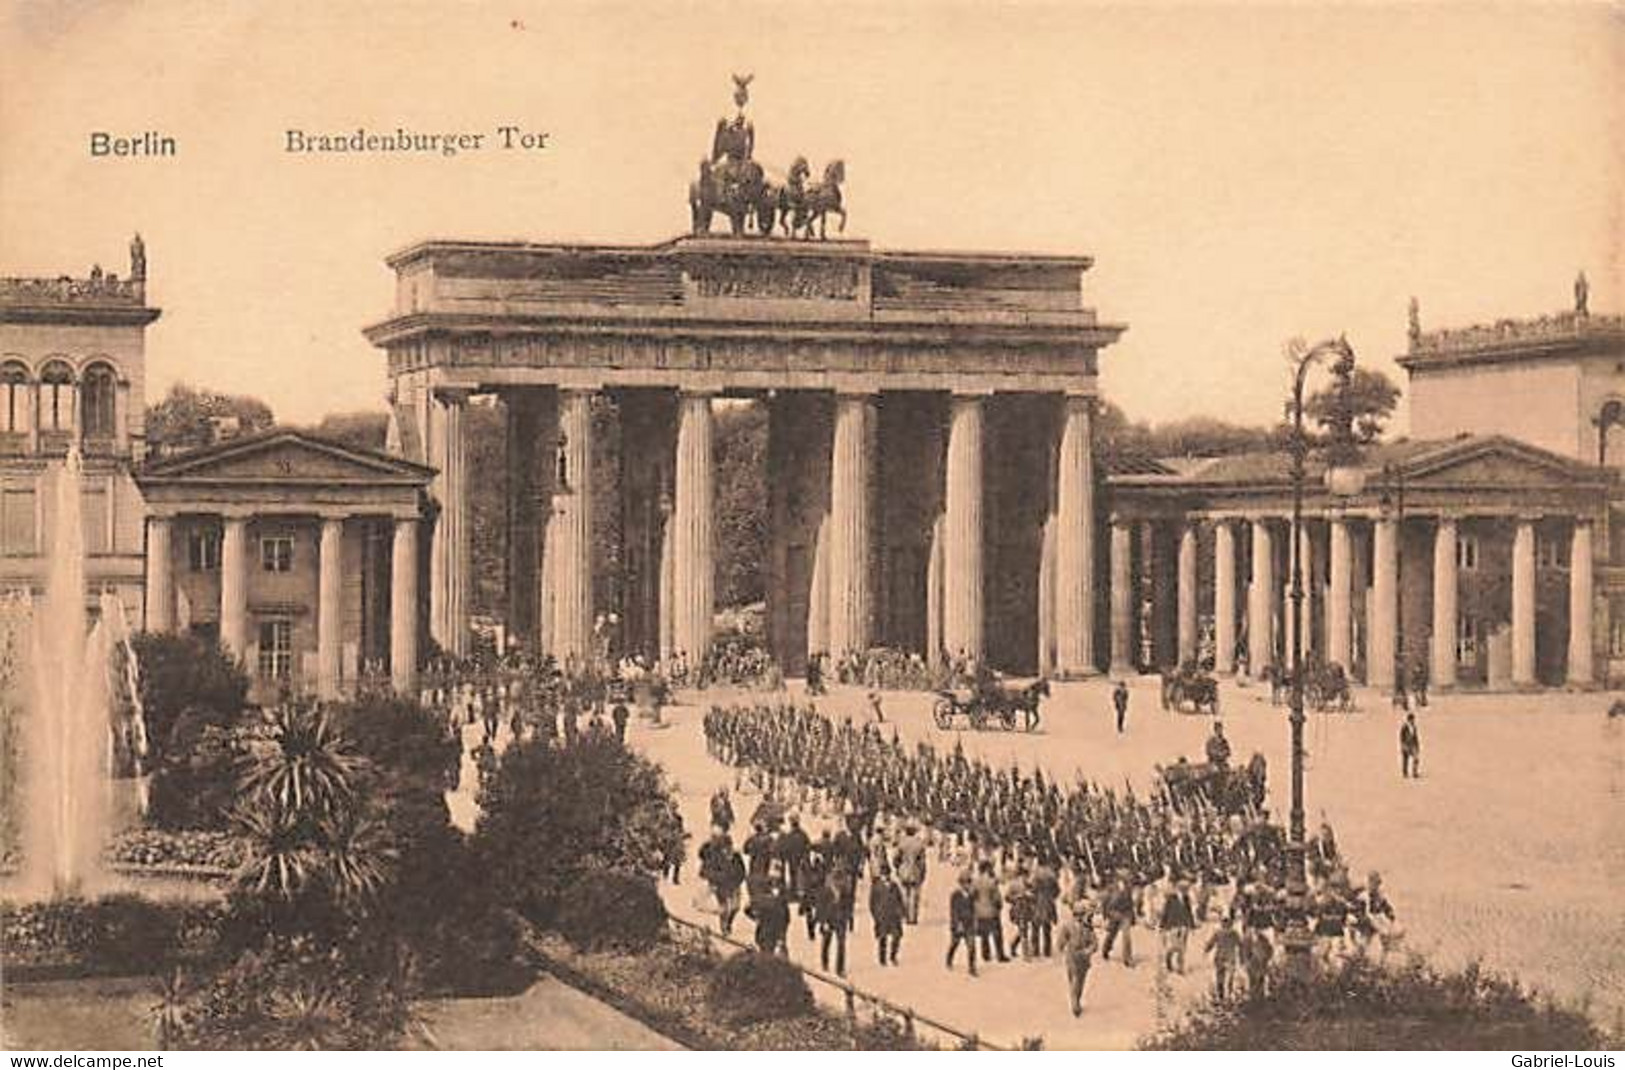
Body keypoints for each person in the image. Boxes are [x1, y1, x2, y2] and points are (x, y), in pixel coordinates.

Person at [698, 829, 746, 936]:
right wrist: (718, 879)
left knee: (736, 907)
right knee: (724, 908)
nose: (728, 849)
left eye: (729, 846)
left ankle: (729, 923)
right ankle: (724, 927)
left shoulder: (736, 856)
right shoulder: (715, 857)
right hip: (721, 886)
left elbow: (742, 870)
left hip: (735, 885)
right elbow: (708, 872)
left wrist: (739, 880)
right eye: (725, 847)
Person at [1055, 899, 1098, 1017]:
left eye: (1081, 915)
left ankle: (1077, 999)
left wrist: (1088, 950)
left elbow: (1094, 943)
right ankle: (1075, 1004)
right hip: (1072, 956)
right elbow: (1060, 942)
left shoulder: (1088, 927)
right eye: (1076, 914)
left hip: (1084, 957)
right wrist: (1062, 950)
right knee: (1074, 980)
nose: (1078, 917)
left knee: (1081, 981)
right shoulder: (1067, 926)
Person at [815, 864, 852, 976]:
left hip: (840, 920)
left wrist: (849, 919)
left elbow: (848, 906)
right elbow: (820, 907)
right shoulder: (825, 891)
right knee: (827, 942)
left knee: (841, 944)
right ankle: (825, 962)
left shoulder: (845, 892)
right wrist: (823, 922)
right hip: (829, 920)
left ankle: (839, 968)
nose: (838, 884)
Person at [972, 859, 1009, 963]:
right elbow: (996, 898)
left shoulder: (975, 882)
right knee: (997, 934)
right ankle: (1000, 955)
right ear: (987, 869)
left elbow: (972, 896)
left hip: (979, 912)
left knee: (984, 934)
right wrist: (999, 906)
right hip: (992, 911)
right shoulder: (992, 882)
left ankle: (985, 955)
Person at [869, 865, 905, 966]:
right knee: (882, 938)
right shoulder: (876, 887)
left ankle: (893, 956)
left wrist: (902, 912)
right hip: (882, 916)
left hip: (894, 916)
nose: (886, 877)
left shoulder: (894, 886)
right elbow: (872, 903)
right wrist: (876, 915)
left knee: (897, 937)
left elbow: (900, 899)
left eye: (887, 875)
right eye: (884, 875)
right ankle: (882, 959)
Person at [1101, 871, 1137, 967]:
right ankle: (1106, 949)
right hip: (1114, 913)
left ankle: (1127, 958)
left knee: (1127, 936)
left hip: (1125, 914)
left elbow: (1130, 903)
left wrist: (1132, 917)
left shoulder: (1128, 888)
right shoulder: (1111, 888)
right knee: (1112, 934)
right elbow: (1105, 902)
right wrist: (1105, 915)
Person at [894, 820, 928, 924]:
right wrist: (923, 872)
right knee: (914, 894)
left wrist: (897, 867)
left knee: (904, 893)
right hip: (915, 870)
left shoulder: (902, 843)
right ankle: (912, 917)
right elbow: (922, 860)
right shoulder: (919, 844)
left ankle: (905, 914)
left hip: (904, 870)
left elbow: (896, 858)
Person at [946, 871, 979, 976]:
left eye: (969, 882)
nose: (967, 885)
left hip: (969, 924)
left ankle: (972, 967)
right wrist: (957, 924)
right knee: (954, 944)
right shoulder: (955, 895)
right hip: (958, 925)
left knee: (971, 946)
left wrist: (975, 922)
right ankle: (949, 959)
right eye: (965, 883)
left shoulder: (972, 895)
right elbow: (953, 911)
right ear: (960, 883)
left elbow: (975, 909)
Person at [1159, 878, 1195, 974]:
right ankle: (1168, 961)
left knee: (1182, 947)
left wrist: (1192, 925)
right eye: (1184, 888)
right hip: (1172, 925)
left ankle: (1180, 967)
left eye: (1186, 888)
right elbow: (1165, 912)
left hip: (1183, 925)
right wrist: (1162, 925)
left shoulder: (1186, 899)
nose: (1186, 890)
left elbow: (1189, 912)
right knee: (1172, 946)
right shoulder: (1171, 898)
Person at [1205, 913, 1242, 999]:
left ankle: (1221, 994)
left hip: (1220, 956)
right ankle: (1228, 993)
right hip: (1230, 956)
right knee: (1229, 976)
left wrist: (1206, 949)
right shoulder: (1234, 933)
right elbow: (1240, 944)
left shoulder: (1218, 932)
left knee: (1220, 976)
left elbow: (1211, 943)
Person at [1400, 712, 1421, 778]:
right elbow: (1401, 737)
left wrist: (1417, 745)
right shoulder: (1404, 727)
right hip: (1406, 745)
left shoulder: (1414, 727)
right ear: (1409, 719)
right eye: (1412, 719)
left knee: (1416, 758)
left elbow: (1415, 736)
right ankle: (1405, 773)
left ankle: (1414, 773)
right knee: (1406, 760)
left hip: (1413, 745)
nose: (1413, 721)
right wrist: (1403, 745)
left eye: (1413, 719)